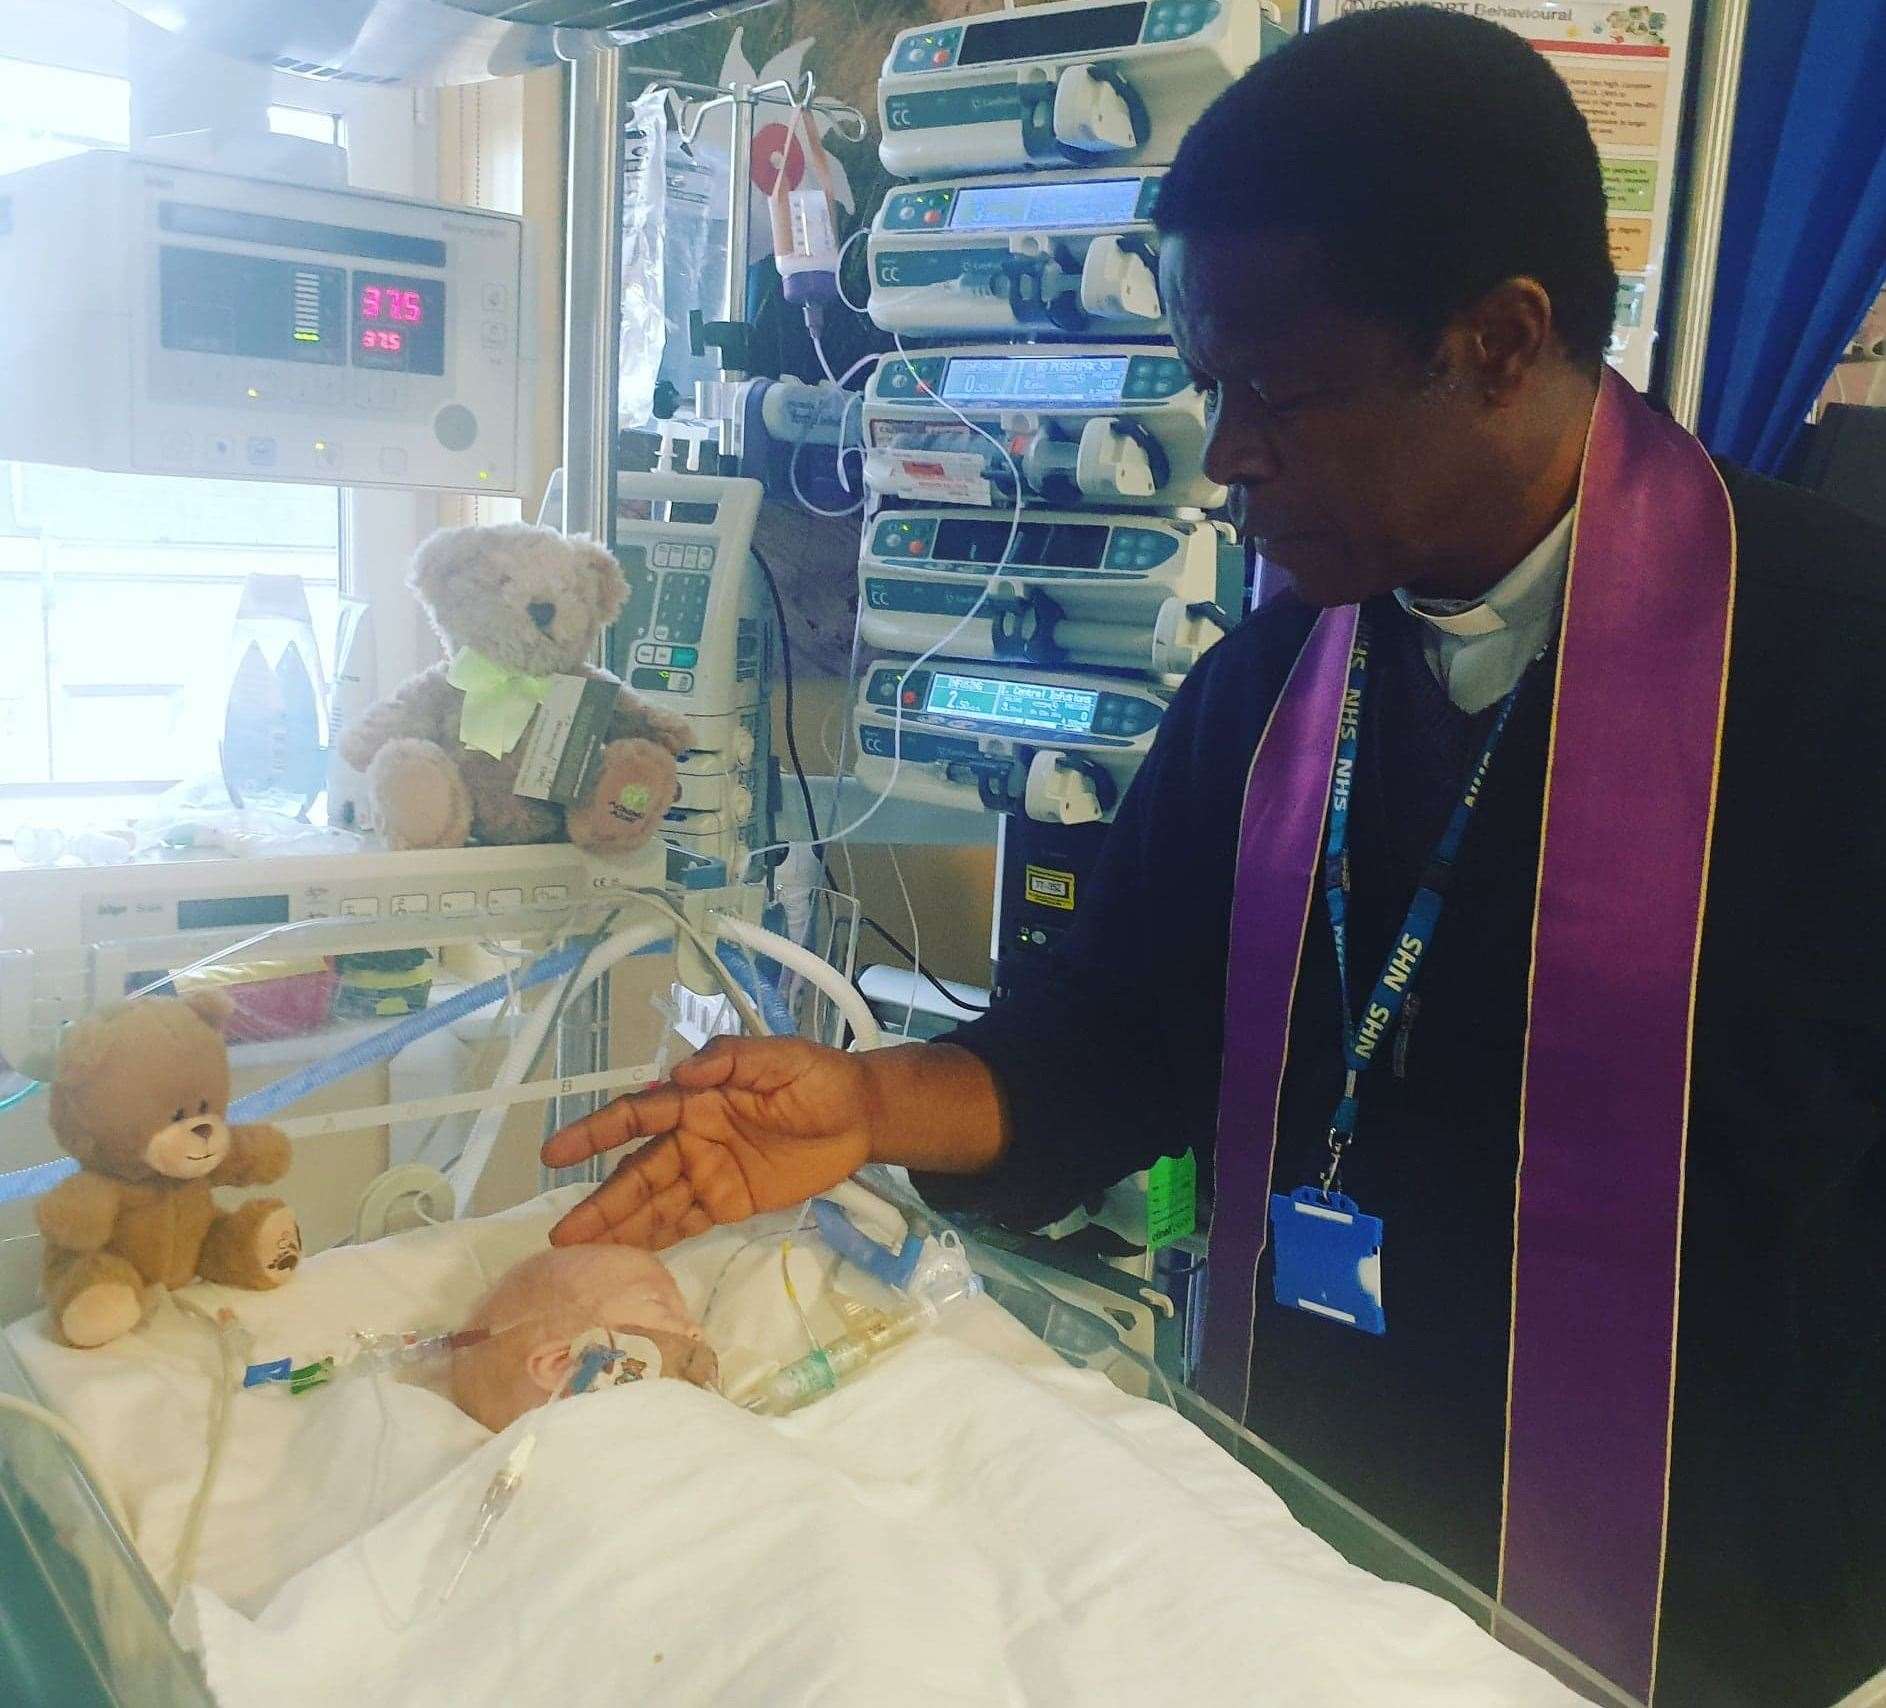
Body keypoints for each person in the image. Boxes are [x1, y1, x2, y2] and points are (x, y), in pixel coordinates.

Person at [544, 11, 1886, 1704]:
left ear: (1494, 341)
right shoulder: (1273, 689)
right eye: (1204, 386)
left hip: (1719, 1609)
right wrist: (867, 1106)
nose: (1230, 451)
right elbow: (1112, 1043)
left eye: (1278, 392)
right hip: (1311, 1562)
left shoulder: (1837, 675)